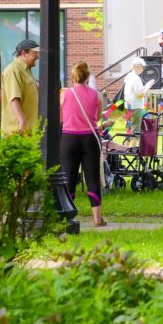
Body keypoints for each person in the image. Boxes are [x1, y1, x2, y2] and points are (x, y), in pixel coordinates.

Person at [59, 61, 106, 226]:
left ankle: (68, 216)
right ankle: (97, 218)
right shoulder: (96, 94)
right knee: (92, 178)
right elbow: (98, 117)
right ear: (88, 76)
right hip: (90, 139)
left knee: (69, 178)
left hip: (69, 139)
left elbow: (61, 117)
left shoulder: (64, 94)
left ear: (73, 77)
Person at [1, 39, 40, 135]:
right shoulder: (13, 70)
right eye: (35, 53)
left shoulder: (26, 70)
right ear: (24, 53)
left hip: (28, 130)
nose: (38, 56)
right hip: (17, 130)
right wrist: (22, 120)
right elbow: (13, 98)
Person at [123, 57, 156, 135]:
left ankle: (126, 146)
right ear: (137, 66)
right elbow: (140, 95)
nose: (143, 69)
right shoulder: (136, 79)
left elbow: (135, 91)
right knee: (135, 132)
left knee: (128, 130)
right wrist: (148, 87)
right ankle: (132, 147)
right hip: (136, 108)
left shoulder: (129, 76)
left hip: (127, 106)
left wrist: (145, 87)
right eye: (142, 67)